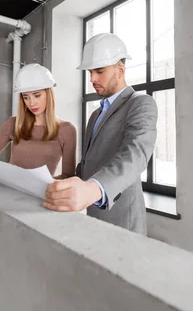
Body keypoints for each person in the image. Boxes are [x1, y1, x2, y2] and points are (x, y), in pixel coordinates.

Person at [43, 33, 158, 234]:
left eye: (99, 71)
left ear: (120, 70)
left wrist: (94, 188)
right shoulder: (95, 115)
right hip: (92, 217)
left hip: (122, 220)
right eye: (90, 72)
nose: (92, 79)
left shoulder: (140, 104)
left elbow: (136, 154)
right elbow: (88, 164)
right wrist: (59, 183)